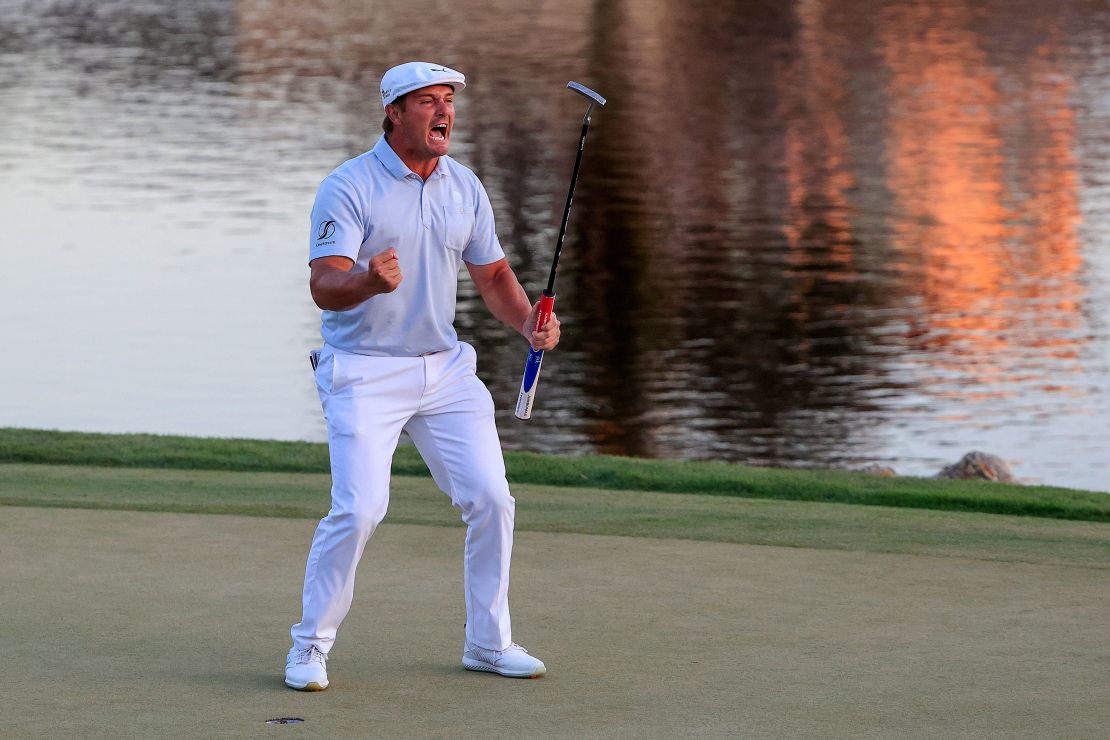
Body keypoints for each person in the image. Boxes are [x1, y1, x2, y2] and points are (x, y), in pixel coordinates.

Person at [284, 61, 559, 691]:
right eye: (428, 102)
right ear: (393, 112)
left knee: (492, 499)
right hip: (362, 369)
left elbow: (493, 278)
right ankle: (309, 647)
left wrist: (530, 325)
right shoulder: (348, 186)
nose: (444, 113)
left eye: (449, 101)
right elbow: (324, 285)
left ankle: (488, 645)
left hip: (446, 369)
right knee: (359, 510)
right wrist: (367, 281)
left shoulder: (465, 186)